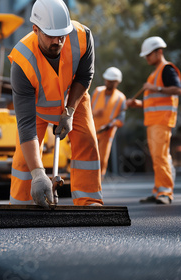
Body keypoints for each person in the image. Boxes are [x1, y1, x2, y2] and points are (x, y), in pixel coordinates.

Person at [8, 0, 103, 207]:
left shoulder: (82, 36)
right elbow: (25, 126)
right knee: (25, 160)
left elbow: (84, 76)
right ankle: (20, 205)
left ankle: (89, 201)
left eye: (62, 35)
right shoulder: (22, 62)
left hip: (74, 100)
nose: (58, 41)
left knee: (87, 143)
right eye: (51, 35)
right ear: (35, 29)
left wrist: (69, 112)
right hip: (38, 107)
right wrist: (39, 173)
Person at [127, 36, 181, 205]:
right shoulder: (154, 73)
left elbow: (177, 90)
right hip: (153, 121)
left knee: (161, 156)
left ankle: (165, 192)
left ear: (159, 52)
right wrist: (138, 104)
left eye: (148, 55)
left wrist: (155, 87)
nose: (146, 58)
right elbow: (155, 101)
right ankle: (159, 191)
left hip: (162, 120)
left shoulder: (167, 69)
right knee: (157, 157)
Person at [91, 67, 127, 179]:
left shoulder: (121, 98)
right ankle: (87, 179)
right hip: (92, 129)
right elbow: (87, 109)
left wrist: (112, 124)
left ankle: (98, 181)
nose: (109, 83)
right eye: (108, 80)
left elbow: (121, 119)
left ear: (117, 82)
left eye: (112, 81)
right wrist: (94, 112)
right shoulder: (97, 91)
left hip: (107, 133)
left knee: (102, 158)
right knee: (88, 156)